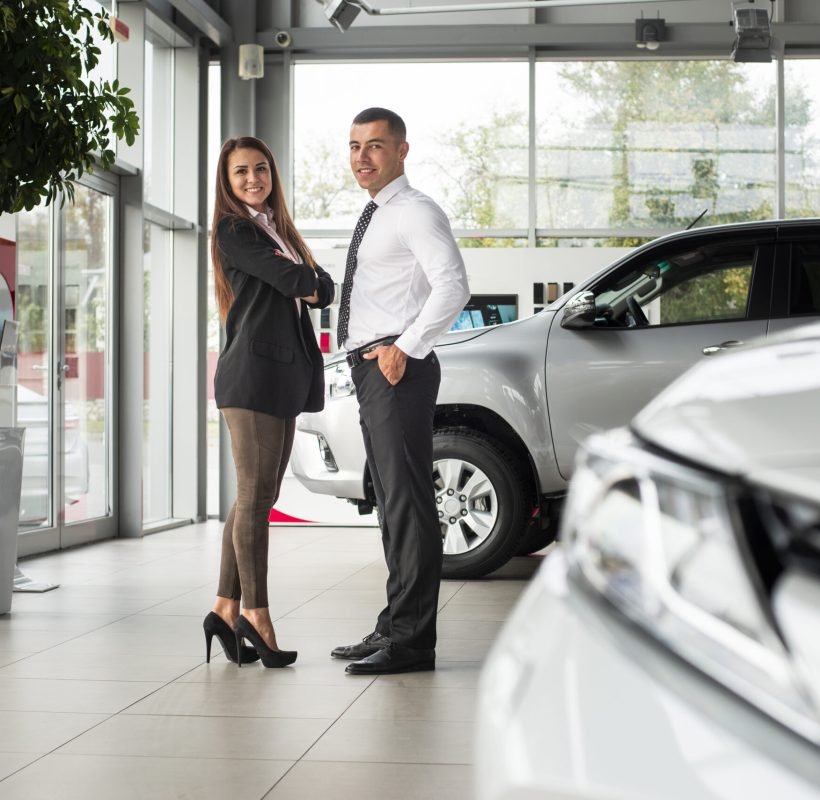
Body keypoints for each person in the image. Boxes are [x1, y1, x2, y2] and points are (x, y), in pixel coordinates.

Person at [331, 108, 470, 675]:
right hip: (375, 368)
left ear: (402, 151)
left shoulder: (413, 211)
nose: (363, 157)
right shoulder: (376, 214)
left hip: (397, 368)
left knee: (408, 505)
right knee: (392, 505)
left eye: (376, 146)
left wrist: (403, 348)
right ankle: (395, 625)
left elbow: (454, 285)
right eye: (355, 145)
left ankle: (413, 641)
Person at [204, 136, 334, 668]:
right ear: (227, 182)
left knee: (254, 496)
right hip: (252, 377)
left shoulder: (276, 231)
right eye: (241, 173)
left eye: (260, 169)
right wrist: (307, 281)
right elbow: (298, 279)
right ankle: (256, 612)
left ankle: (223, 606)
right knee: (257, 499)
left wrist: (309, 281)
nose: (253, 179)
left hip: (278, 377)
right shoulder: (234, 230)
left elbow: (321, 287)